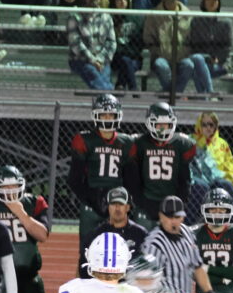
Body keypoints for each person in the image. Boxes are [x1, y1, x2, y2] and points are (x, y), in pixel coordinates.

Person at [68, 94, 135, 259]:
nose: (107, 119)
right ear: (96, 116)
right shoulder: (84, 139)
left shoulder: (126, 142)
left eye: (110, 115)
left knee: (120, 251)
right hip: (92, 201)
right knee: (87, 252)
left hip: (117, 200)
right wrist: (90, 198)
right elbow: (74, 178)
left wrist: (126, 201)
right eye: (104, 115)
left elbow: (131, 179)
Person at [126, 102, 196, 229]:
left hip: (171, 201)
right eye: (159, 124)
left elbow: (184, 179)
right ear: (150, 123)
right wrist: (139, 201)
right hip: (147, 201)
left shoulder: (181, 144)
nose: (162, 128)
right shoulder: (140, 143)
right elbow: (133, 177)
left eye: (165, 124)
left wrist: (180, 201)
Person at [143, 0, 212, 93]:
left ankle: (169, 94)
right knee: (160, 65)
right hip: (162, 58)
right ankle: (175, 94)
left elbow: (194, 39)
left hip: (182, 59)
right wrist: (159, 52)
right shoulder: (154, 15)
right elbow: (148, 39)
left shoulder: (188, 15)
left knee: (189, 65)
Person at [188, 111, 233, 223]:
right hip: (197, 177)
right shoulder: (190, 140)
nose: (208, 128)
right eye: (204, 125)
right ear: (199, 125)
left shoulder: (222, 143)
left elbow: (230, 164)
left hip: (216, 179)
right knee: (201, 187)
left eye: (211, 124)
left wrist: (228, 176)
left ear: (215, 126)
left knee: (227, 185)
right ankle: (188, 225)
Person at [78, 186, 148, 271]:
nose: (117, 208)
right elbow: (83, 267)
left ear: (127, 207)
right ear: (108, 207)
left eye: (121, 204)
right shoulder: (96, 235)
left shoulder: (140, 234)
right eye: (113, 204)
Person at [67, 0, 117, 90]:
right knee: (93, 74)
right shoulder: (75, 16)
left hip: (102, 60)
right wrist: (93, 60)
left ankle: (106, 97)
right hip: (80, 60)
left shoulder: (107, 17)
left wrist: (100, 59)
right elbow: (75, 43)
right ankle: (110, 96)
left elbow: (111, 43)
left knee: (103, 78)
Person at [189, 0, 232, 79]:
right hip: (201, 60)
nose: (212, 2)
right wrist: (207, 58)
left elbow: (227, 46)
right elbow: (194, 45)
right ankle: (208, 88)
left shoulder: (226, 22)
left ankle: (206, 88)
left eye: (215, 0)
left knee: (204, 72)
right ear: (203, 2)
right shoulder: (196, 21)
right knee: (199, 65)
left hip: (220, 63)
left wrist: (218, 58)